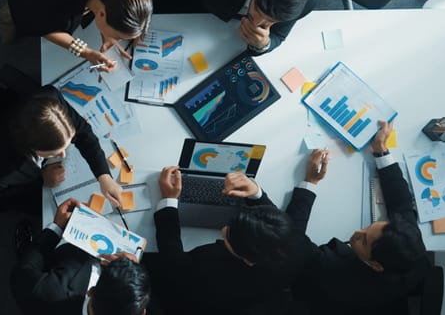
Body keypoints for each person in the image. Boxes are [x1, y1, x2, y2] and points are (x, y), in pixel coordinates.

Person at [286, 121, 429, 315]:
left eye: (363, 240)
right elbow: (402, 205)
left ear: (375, 265)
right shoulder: (413, 252)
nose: (356, 232)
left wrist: (310, 182)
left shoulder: (332, 271)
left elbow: (291, 242)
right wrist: (381, 149)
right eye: (369, 227)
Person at [144, 166, 313, 314]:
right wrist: (256, 193)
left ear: (247, 259)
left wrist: (168, 200)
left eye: (229, 232)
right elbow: (280, 224)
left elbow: (173, 258)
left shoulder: (205, 268)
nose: (224, 228)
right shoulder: (301, 245)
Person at [0, 84, 121, 214]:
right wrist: (42, 181)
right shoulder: (3, 164)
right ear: (31, 148)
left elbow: (83, 133)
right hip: (12, 189)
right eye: (55, 153)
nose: (63, 155)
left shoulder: (51, 100)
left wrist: (104, 176)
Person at [11, 198, 151, 315]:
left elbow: (22, 272)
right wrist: (129, 271)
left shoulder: (51, 293)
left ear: (91, 292)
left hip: (56, 258)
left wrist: (56, 228)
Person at [139, 0, 318, 55]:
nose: (256, 23)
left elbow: (278, 36)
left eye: (269, 21)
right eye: (257, 10)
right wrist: (140, 14)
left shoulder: (304, 1)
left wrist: (263, 45)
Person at [2, 0, 153, 72]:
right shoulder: (55, 1)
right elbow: (44, 28)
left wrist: (110, 32)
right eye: (118, 36)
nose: (117, 40)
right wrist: (85, 52)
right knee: (14, 23)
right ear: (101, 14)